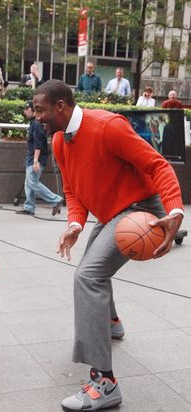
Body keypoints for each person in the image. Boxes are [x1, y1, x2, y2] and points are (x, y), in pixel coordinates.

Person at [33, 79, 184, 411]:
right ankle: (111, 324)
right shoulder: (60, 141)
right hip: (110, 212)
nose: (37, 116)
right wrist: (74, 224)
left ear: (60, 106)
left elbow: (157, 165)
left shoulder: (108, 126)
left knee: (87, 276)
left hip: (140, 209)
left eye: (41, 110)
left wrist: (174, 210)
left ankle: (105, 382)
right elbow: (73, 190)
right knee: (91, 263)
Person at [16, 101, 63, 216]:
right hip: (32, 157)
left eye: (26, 109)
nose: (25, 111)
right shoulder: (34, 123)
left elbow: (38, 144)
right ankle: (29, 207)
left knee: (32, 182)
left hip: (35, 158)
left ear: (32, 110)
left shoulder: (36, 124)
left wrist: (36, 161)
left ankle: (56, 199)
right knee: (29, 182)